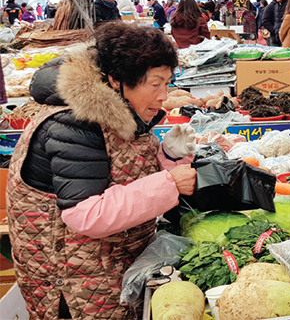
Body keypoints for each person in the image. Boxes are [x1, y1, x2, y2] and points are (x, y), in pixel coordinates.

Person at [7, 22, 197, 319]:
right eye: (155, 83)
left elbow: (121, 168)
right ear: (115, 79)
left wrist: (170, 156)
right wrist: (169, 183)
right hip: (76, 288)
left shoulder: (120, 109)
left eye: (168, 83)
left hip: (109, 271)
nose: (164, 95)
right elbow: (86, 214)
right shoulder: (73, 124)